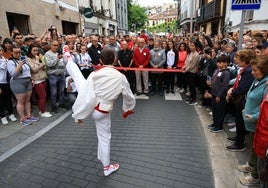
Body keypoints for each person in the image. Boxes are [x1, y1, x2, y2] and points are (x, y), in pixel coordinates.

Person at [64, 46, 135, 176]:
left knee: (80, 80)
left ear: (100, 60)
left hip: (91, 106)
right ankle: (107, 167)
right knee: (104, 138)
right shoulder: (121, 77)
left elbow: (85, 94)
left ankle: (68, 59)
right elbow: (129, 96)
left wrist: (79, 114)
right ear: (114, 59)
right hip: (102, 112)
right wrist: (127, 109)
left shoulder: (94, 74)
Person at [238, 56, 268, 186]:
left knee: (258, 151)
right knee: (253, 145)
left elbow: (264, 105)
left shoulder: (266, 85)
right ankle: (251, 165)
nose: (252, 72)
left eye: (255, 70)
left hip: (258, 123)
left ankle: (255, 175)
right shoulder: (257, 80)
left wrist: (254, 116)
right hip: (250, 120)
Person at [226, 49, 255, 151]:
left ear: (244, 59)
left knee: (240, 121)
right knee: (238, 120)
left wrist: (232, 92)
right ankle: (238, 138)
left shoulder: (248, 71)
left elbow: (243, 87)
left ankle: (239, 144)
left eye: (238, 58)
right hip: (240, 99)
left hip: (242, 100)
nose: (236, 59)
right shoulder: (245, 69)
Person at [7, 45, 39, 126]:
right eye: (16, 53)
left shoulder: (23, 59)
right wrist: (19, 65)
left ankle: (28, 116)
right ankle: (22, 118)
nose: (18, 54)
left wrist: (31, 79)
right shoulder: (10, 62)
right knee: (20, 101)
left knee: (27, 100)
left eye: (19, 52)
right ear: (11, 52)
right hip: (17, 81)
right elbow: (13, 74)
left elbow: (28, 70)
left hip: (27, 80)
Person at [207, 55, 231, 133]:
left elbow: (224, 86)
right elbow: (214, 79)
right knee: (214, 110)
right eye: (218, 62)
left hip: (219, 95)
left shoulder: (226, 73)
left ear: (226, 63)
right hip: (213, 93)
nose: (218, 64)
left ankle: (219, 126)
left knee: (220, 111)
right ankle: (215, 123)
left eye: (220, 63)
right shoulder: (217, 70)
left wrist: (219, 95)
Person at [26, 44, 52, 118]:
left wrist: (42, 63)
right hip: (36, 79)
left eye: (37, 50)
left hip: (43, 77)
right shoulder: (28, 59)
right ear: (30, 51)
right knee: (42, 96)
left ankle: (42, 110)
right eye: (34, 50)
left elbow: (44, 66)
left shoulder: (38, 57)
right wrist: (39, 62)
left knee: (42, 96)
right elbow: (34, 69)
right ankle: (43, 112)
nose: (36, 52)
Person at [44, 40, 67, 113]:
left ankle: (61, 103)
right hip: (53, 75)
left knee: (61, 91)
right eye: (54, 45)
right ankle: (53, 106)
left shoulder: (58, 53)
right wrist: (57, 59)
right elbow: (49, 64)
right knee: (54, 92)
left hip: (61, 75)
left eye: (57, 45)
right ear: (51, 46)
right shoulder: (47, 54)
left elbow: (64, 63)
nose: (56, 47)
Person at [0, 46, 17, 125]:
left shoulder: (6, 60)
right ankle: (2, 116)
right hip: (0, 83)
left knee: (8, 99)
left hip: (7, 82)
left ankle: (11, 114)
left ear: (2, 51)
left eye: (0, 50)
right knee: (1, 101)